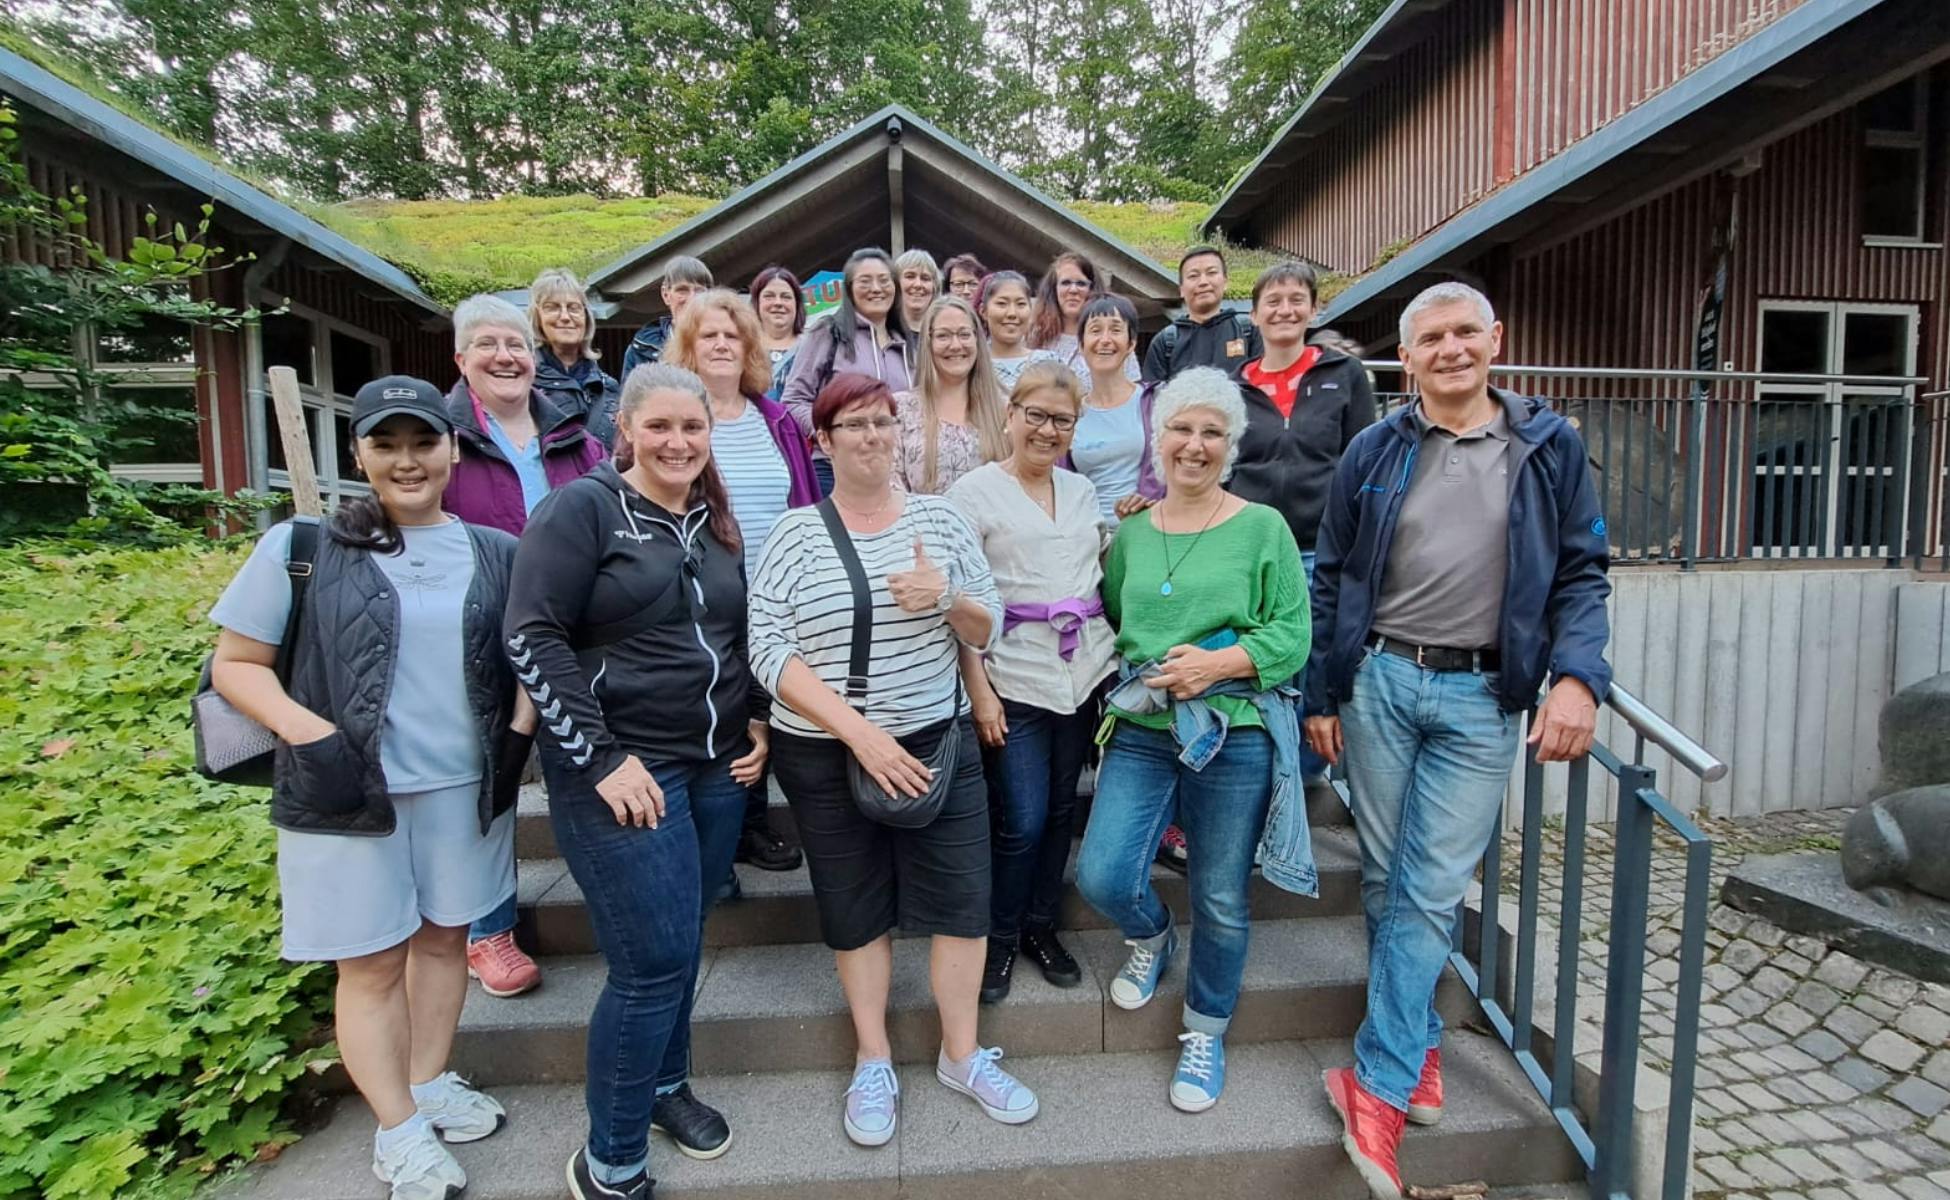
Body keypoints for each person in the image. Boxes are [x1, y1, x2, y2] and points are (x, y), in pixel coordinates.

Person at [1306, 283, 1610, 1199]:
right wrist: (1325, 688)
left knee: (1429, 887)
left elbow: (1584, 575)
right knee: (1395, 876)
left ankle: (1380, 1085)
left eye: (1464, 332)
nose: (1449, 349)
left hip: (1485, 695)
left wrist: (1576, 677)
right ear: (1407, 359)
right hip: (1382, 683)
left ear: (1494, 340)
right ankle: (1421, 1040)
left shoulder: (1549, 447)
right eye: (1430, 337)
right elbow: (1331, 575)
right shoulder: (1374, 449)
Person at [209, 376, 533, 1200]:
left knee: (441, 941)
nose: (407, 460)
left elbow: (531, 652)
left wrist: (519, 735)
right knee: (372, 964)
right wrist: (313, 733)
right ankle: (395, 1130)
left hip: (464, 790)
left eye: (423, 442)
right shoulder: (304, 547)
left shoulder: (495, 550)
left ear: (452, 448)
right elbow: (236, 667)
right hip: (346, 794)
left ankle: (425, 1084)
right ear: (359, 455)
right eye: (385, 444)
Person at [748, 373, 1038, 1148]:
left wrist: (944, 598)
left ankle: (962, 1053)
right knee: (854, 904)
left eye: (882, 423)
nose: (871, 437)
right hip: (825, 748)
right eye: (854, 426)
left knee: (962, 902)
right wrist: (861, 735)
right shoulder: (794, 533)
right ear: (823, 442)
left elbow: (988, 624)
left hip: (935, 742)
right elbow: (769, 650)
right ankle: (873, 1057)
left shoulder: (941, 521)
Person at [505, 363, 771, 1197]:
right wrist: (601, 756)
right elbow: (532, 635)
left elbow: (736, 631)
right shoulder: (582, 509)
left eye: (692, 428)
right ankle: (610, 1158)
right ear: (623, 427)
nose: (677, 442)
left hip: (718, 763)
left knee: (682, 938)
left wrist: (756, 717)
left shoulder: (713, 521)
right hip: (622, 767)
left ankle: (663, 1088)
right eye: (658, 427)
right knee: (650, 961)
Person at [1075, 366, 1311, 1115]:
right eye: (1182, 428)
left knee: (1219, 893)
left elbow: (1294, 633)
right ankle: (1150, 936)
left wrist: (1220, 662)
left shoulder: (1262, 527)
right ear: (1158, 437)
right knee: (1105, 875)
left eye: (1213, 431)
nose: (1196, 444)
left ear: (1231, 445)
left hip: (1234, 731)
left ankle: (1205, 1029)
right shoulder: (1133, 532)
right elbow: (1113, 614)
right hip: (1144, 729)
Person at [441, 294, 606, 997]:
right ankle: (488, 930)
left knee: (586, 756)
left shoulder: (574, 435)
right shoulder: (445, 438)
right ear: (461, 360)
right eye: (487, 345)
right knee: (494, 776)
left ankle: (608, 894)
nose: (505, 357)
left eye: (514, 344)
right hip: (480, 630)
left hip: (575, 632)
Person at [946, 361, 1113, 1004]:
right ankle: (1000, 937)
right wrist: (978, 688)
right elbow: (959, 604)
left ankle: (1042, 926)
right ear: (1011, 415)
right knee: (1021, 817)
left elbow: (1096, 572)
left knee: (1064, 810)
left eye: (1061, 420)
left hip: (1080, 672)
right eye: (1035, 415)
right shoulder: (973, 492)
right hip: (1010, 674)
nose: (1047, 430)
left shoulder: (1081, 492)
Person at [666, 288, 818, 874]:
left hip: (778, 593)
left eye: (734, 335)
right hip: (702, 594)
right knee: (721, 710)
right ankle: (723, 841)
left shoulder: (774, 419)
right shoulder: (677, 418)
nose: (723, 345)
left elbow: (803, 501)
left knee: (771, 706)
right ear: (689, 347)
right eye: (710, 335)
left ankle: (753, 824)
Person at [1226, 261, 1378, 784]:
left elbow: (1364, 459)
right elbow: (1223, 465)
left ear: (1314, 309)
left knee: (1314, 657)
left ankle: (1304, 777)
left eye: (1296, 300)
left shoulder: (1343, 375)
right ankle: (1256, 773)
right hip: (1250, 548)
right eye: (1273, 301)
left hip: (1321, 544)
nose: (1285, 310)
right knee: (1256, 656)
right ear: (1254, 314)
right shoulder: (1235, 384)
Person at [780, 248, 911, 496]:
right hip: (833, 470)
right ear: (849, 289)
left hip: (894, 472)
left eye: (884, 280)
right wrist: (831, 433)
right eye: (865, 281)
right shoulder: (828, 333)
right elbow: (793, 399)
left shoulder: (908, 345)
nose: (876, 288)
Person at [1067, 293, 1162, 532]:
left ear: (1131, 343)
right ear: (1081, 344)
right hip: (1088, 538)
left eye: (1116, 330)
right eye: (1096, 330)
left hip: (1148, 531)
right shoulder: (1067, 414)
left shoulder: (1155, 401)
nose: (1105, 340)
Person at [893, 296, 1008, 494]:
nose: (955, 345)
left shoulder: (1006, 409)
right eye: (943, 336)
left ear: (977, 340)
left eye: (964, 334)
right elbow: (891, 484)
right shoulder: (900, 408)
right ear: (928, 342)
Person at [528, 267, 623, 450]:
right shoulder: (525, 386)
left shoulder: (608, 387)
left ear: (586, 318)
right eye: (553, 308)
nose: (565, 317)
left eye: (573, 308)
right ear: (537, 318)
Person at [1141, 246, 1261, 382]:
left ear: (1225, 282)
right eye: (1193, 276)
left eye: (1211, 273)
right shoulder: (1165, 342)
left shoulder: (1249, 331)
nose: (1203, 282)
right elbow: (1153, 397)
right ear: (1181, 289)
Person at [1027, 251, 1139, 395]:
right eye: (1065, 283)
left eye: (1081, 283)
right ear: (1053, 289)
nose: (1073, 290)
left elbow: (1133, 389)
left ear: (1092, 289)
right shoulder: (1034, 336)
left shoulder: (1113, 341)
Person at [621, 255, 713, 380]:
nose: (692, 298)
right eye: (682, 290)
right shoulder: (641, 349)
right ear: (666, 294)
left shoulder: (723, 344)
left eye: (699, 291)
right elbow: (629, 398)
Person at [979, 270, 1057, 394]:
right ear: (983, 311)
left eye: (1020, 304)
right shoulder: (973, 363)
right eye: (1002, 304)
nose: (1012, 313)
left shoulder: (1049, 362)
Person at [749, 264, 807, 399]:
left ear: (797, 304)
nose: (778, 303)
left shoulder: (815, 347)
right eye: (769, 296)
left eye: (786, 297)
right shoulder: (743, 349)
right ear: (757, 303)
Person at [894, 248, 942, 346]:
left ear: (935, 287)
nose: (918, 284)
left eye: (925, 278)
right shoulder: (885, 334)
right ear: (896, 283)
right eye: (910, 276)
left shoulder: (944, 334)